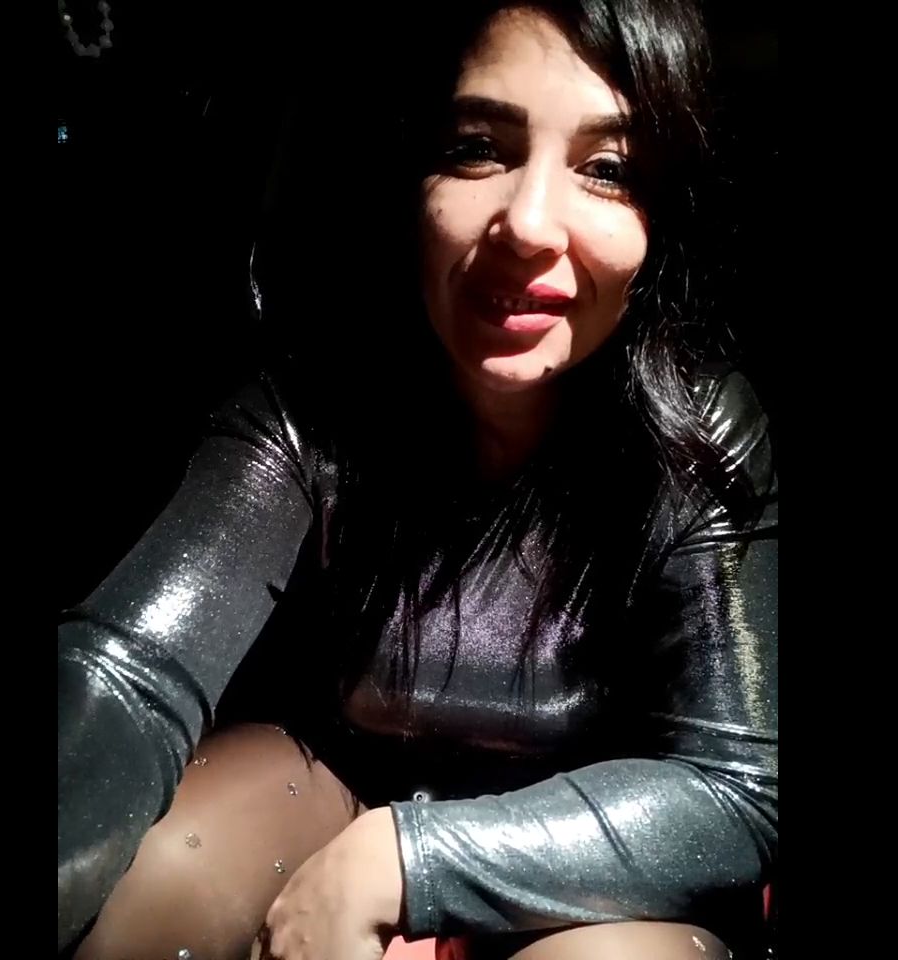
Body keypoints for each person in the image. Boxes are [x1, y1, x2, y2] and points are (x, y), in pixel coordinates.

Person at [58, 2, 778, 958]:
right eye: (479, 149)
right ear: (413, 177)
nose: (529, 225)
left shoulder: (699, 433)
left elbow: (738, 785)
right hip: (321, 802)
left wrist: (413, 858)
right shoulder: (313, 404)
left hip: (598, 877)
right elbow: (128, 675)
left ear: (659, 217)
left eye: (606, 169)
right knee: (170, 873)